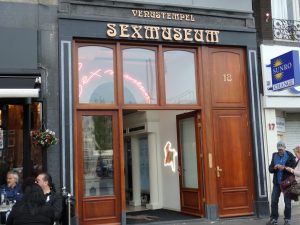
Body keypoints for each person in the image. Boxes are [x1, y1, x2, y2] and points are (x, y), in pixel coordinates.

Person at [266, 141, 297, 225]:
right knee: (274, 201)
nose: (280, 151)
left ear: (285, 148)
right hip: (277, 183)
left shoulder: (290, 156)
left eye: (281, 149)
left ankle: (287, 220)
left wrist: (284, 168)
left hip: (287, 183)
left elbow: (294, 169)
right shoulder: (274, 155)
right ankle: (273, 219)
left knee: (287, 202)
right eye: (279, 149)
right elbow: (270, 169)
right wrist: (275, 167)